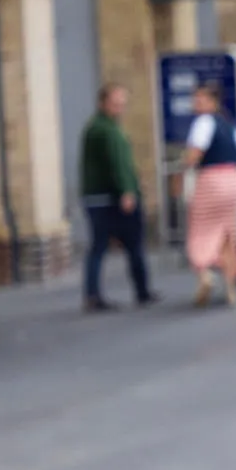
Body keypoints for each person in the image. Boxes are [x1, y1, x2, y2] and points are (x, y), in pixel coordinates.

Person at [177, 83, 236, 309]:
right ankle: (232, 289)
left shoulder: (203, 123)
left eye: (200, 100)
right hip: (234, 181)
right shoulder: (231, 125)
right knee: (228, 233)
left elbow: (195, 155)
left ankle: (205, 274)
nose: (196, 104)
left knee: (201, 229)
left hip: (211, 181)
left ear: (213, 102)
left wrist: (183, 168)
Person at [79, 83, 157, 311]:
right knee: (130, 243)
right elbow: (119, 164)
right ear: (102, 103)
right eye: (115, 103)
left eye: (122, 103)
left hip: (98, 197)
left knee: (100, 246)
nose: (120, 108)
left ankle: (94, 294)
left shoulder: (97, 127)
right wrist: (127, 191)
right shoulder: (108, 130)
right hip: (108, 197)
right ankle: (140, 291)